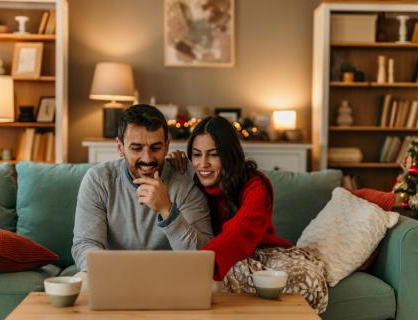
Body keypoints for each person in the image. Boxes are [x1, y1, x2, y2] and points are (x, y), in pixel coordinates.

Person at [169, 116, 328, 313]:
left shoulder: (256, 184)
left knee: (306, 278)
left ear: (229, 155)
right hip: (218, 257)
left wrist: (200, 266)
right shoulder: (191, 181)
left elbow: (240, 231)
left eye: (213, 155)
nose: (203, 164)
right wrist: (172, 167)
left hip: (259, 252)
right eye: (196, 155)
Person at [72, 104, 213, 272]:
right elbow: (85, 245)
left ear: (166, 146)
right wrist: (115, 274)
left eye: (155, 147)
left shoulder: (185, 181)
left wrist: (167, 211)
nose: (147, 158)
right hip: (114, 276)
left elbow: (202, 256)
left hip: (169, 279)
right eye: (136, 148)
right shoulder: (98, 180)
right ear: (120, 147)